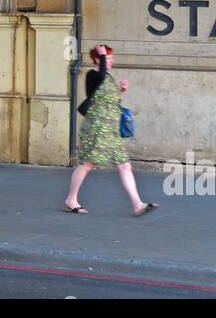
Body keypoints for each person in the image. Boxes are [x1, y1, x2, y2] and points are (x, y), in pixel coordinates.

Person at [63, 44, 159, 217]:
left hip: (111, 131)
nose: (111, 62)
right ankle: (71, 200)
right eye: (107, 58)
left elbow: (111, 102)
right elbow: (99, 80)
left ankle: (137, 204)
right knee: (87, 164)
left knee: (124, 165)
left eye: (111, 58)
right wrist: (101, 55)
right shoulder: (93, 75)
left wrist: (121, 91)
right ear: (98, 59)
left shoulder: (107, 77)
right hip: (97, 129)